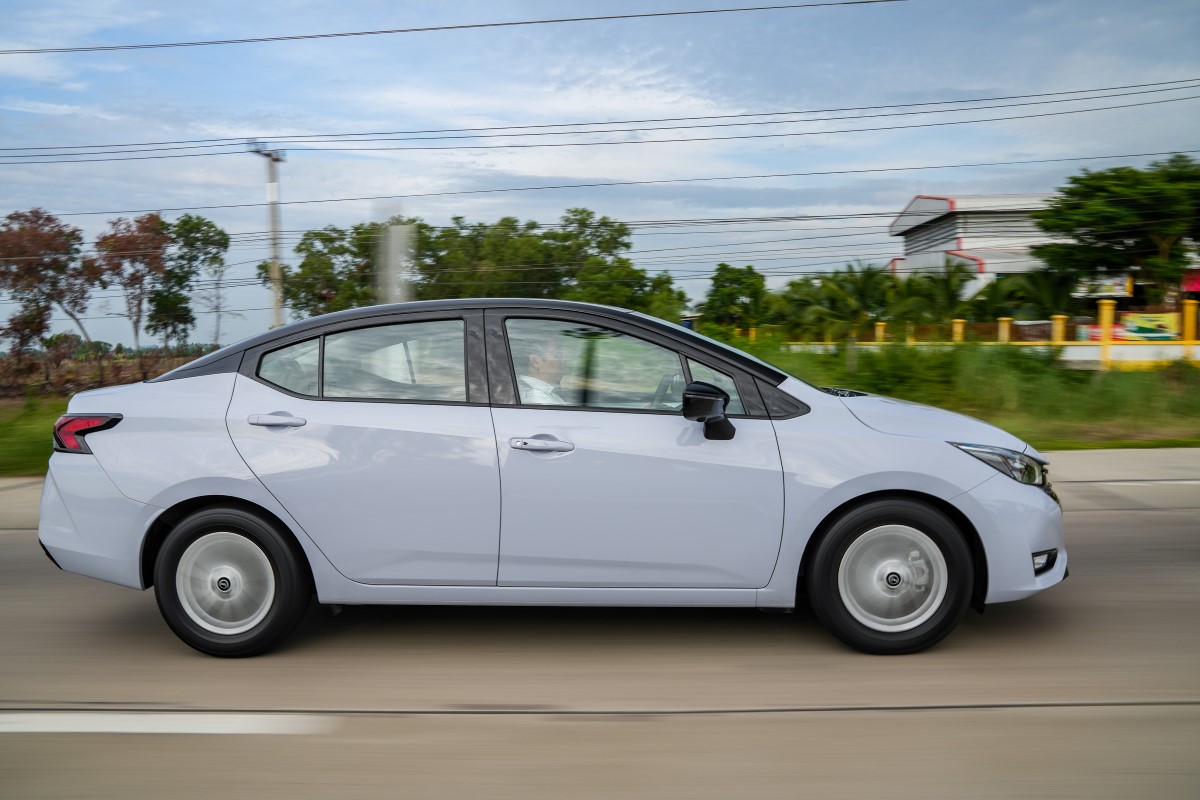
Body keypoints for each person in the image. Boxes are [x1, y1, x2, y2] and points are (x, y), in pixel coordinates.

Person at [515, 337, 568, 405]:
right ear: (535, 362)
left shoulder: (543, 394)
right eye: (558, 355)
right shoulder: (537, 400)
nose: (563, 360)